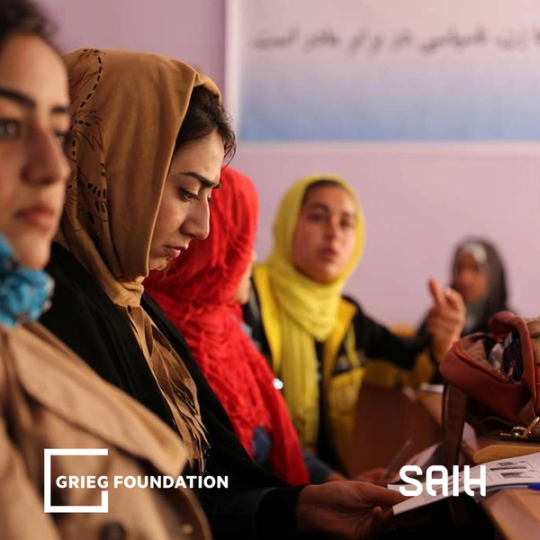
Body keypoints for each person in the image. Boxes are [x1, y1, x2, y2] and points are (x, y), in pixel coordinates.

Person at [40, 48, 406, 539]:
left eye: (210, 196)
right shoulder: (48, 319)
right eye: (187, 191)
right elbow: (90, 513)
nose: (204, 228)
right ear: (113, 167)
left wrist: (292, 506)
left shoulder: (133, 304)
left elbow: (204, 484)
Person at [0, 1, 211, 538]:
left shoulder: (27, 332)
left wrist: (295, 502)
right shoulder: (61, 312)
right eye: (7, 126)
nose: (53, 169)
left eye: (60, 134)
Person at [244, 175, 465, 471]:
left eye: (346, 223)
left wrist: (444, 341)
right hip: (258, 488)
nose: (333, 233)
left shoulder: (347, 319)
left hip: (329, 488)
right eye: (318, 217)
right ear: (287, 224)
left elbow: (413, 368)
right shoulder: (247, 300)